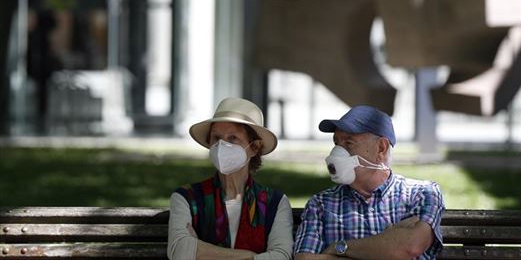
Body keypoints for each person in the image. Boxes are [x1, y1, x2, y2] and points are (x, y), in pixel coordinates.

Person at [294, 105, 445, 260]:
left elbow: (410, 246)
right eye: (336, 143)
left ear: (381, 148)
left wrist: (339, 247)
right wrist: (389, 244)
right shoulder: (321, 204)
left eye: (348, 143)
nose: (337, 152)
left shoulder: (423, 193)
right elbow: (305, 259)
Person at [168, 98, 294, 260]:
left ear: (254, 147)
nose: (221, 145)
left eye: (232, 138)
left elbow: (281, 256)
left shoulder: (275, 203)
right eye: (216, 137)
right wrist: (251, 256)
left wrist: (199, 249)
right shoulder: (186, 198)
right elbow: (179, 251)